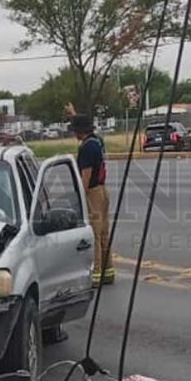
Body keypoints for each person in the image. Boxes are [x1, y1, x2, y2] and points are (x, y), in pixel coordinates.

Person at [69, 107, 115, 286]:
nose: (74, 134)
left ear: (79, 131)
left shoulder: (87, 148)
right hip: (103, 191)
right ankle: (107, 271)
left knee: (94, 233)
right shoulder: (97, 141)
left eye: (74, 130)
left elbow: (85, 177)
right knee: (104, 232)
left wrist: (79, 198)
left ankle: (95, 274)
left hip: (93, 193)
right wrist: (74, 113)